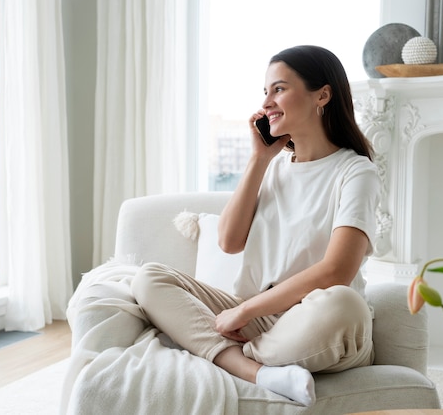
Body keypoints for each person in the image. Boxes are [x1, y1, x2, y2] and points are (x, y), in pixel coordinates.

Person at [132, 45, 380, 407]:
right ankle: (257, 371)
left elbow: (336, 270)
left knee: (345, 303)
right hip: (257, 320)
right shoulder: (271, 168)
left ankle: (214, 351)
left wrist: (245, 311)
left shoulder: (356, 172)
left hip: (313, 320)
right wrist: (259, 158)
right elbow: (229, 241)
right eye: (265, 92)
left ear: (322, 95)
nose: (267, 102)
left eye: (278, 89)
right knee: (149, 278)